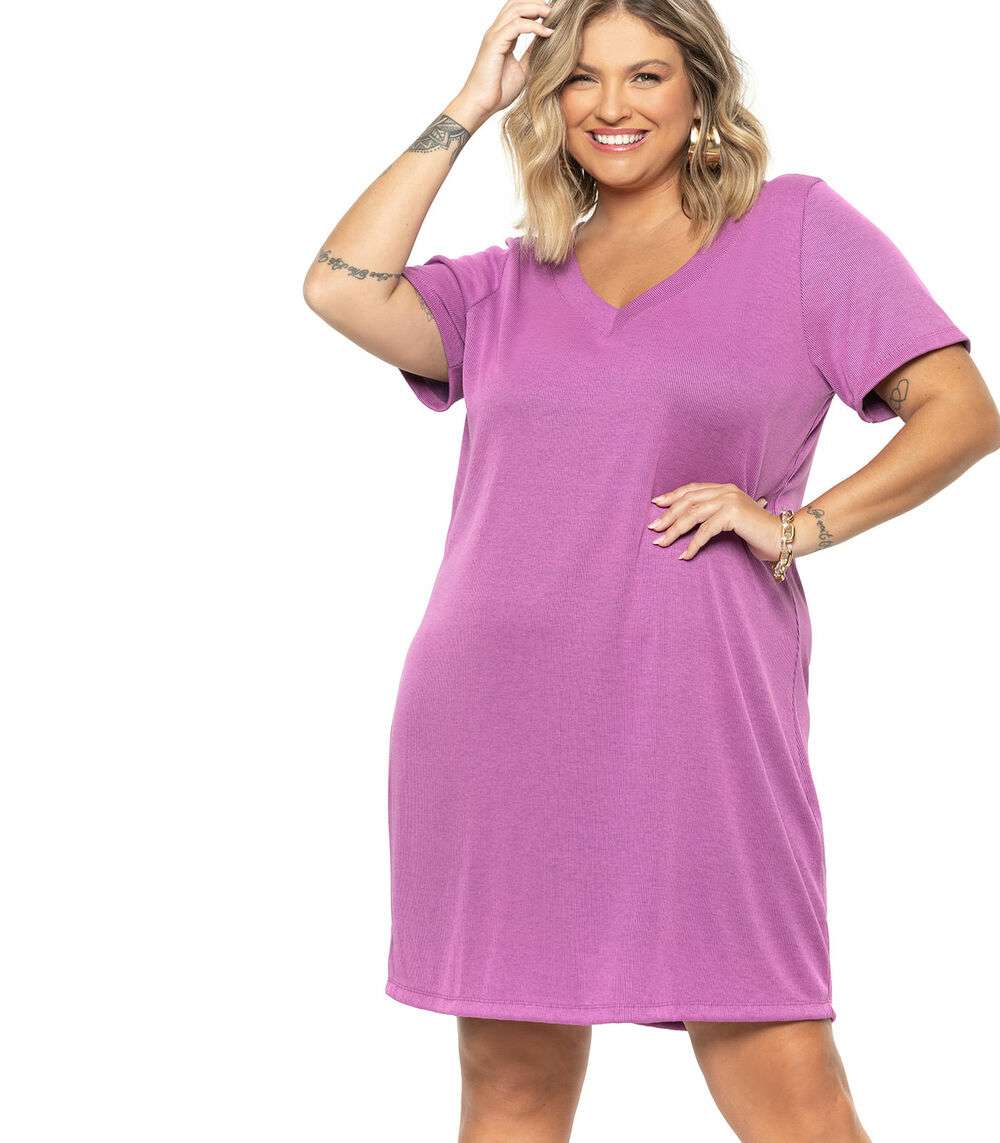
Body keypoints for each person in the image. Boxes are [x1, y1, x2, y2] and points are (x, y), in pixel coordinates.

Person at [303, 1, 999, 1139]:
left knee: (785, 1075)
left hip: (694, 711)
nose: (612, 106)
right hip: (492, 714)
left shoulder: (797, 231)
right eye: (581, 79)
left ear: (700, 92)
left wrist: (797, 527)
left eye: (646, 75)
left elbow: (961, 411)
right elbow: (340, 287)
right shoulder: (508, 281)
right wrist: (470, 102)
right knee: (510, 1078)